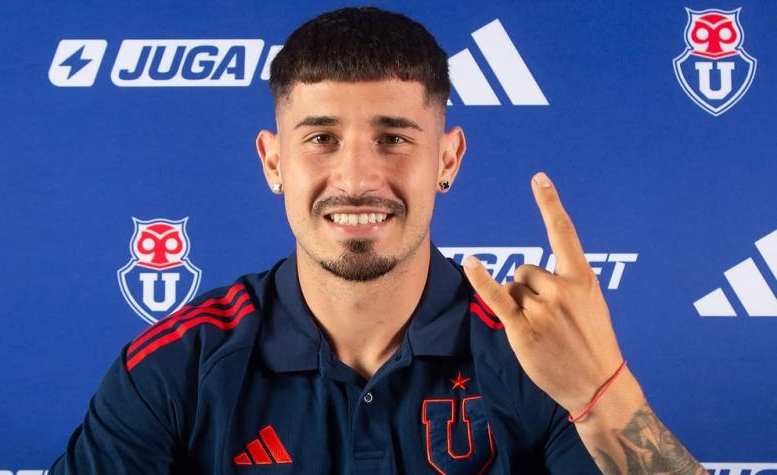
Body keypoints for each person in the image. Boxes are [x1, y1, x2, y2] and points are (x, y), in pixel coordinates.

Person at [51, 7, 706, 474]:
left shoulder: (529, 352)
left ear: (447, 159)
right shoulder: (181, 364)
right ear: (273, 161)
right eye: (321, 138)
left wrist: (603, 391)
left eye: (393, 137)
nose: (358, 178)